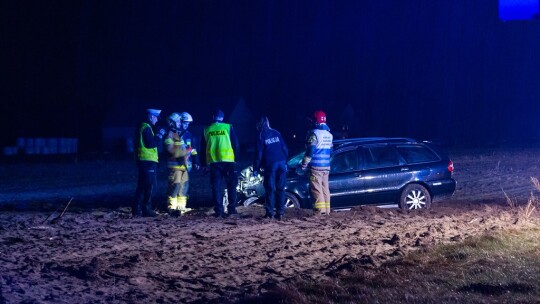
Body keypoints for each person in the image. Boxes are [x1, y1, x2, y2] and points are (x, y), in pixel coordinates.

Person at [202, 109, 240, 218]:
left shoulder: (206, 130)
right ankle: (231, 210)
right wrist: (236, 159)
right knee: (232, 186)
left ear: (213, 117)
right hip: (229, 162)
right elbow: (236, 144)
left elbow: (202, 148)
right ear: (222, 118)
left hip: (214, 162)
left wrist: (204, 164)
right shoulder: (228, 127)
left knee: (216, 187)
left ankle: (219, 211)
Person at [252, 116, 288, 220]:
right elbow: (284, 148)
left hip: (270, 165)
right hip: (281, 163)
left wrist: (256, 169)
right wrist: (286, 162)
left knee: (270, 189)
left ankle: (270, 213)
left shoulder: (260, 136)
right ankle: (280, 213)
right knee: (281, 188)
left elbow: (259, 154)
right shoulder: (276, 132)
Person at [133, 108, 167, 217]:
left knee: (142, 185)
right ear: (151, 116)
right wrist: (160, 135)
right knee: (149, 185)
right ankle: (146, 209)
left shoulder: (142, 126)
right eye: (156, 117)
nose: (157, 120)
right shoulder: (146, 127)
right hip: (148, 161)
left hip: (143, 161)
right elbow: (151, 144)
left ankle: (136, 209)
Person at [298, 110, 333, 215]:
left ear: (315, 121)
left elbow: (310, 151)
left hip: (316, 167)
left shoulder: (314, 134)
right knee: (325, 189)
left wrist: (303, 165)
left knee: (316, 190)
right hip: (326, 167)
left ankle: (320, 212)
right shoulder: (329, 135)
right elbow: (331, 151)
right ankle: (327, 211)